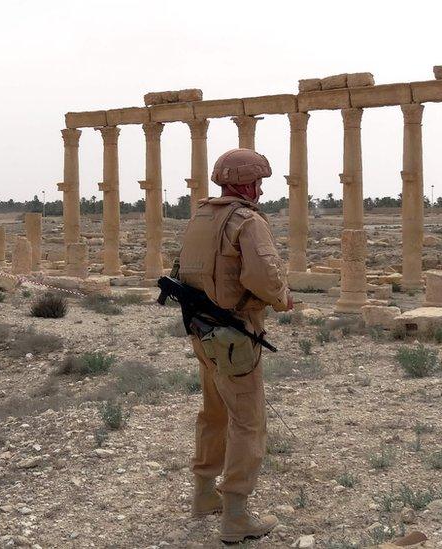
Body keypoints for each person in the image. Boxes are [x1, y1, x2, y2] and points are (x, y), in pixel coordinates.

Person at [176, 148, 293, 543]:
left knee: (213, 412)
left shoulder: (201, 216)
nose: (260, 189)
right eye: (258, 182)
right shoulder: (247, 220)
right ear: (248, 184)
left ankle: (204, 494)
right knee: (248, 420)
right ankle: (236, 516)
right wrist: (282, 297)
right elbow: (264, 278)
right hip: (235, 335)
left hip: (201, 331)